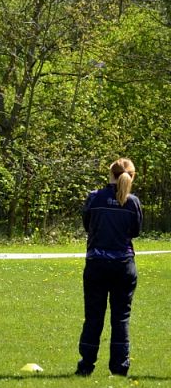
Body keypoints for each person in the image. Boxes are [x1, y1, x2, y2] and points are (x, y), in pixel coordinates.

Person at [76, 158, 143, 376]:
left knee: (94, 316)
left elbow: (87, 225)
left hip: (96, 264)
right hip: (123, 265)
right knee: (121, 317)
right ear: (131, 177)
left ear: (110, 174)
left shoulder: (95, 198)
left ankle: (86, 365)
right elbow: (135, 231)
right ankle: (119, 367)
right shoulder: (133, 202)